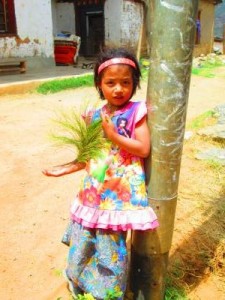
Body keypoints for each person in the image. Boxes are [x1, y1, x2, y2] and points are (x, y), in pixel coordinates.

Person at [42, 47, 159, 299]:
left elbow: (143, 148)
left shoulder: (135, 112)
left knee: (110, 245)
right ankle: (78, 280)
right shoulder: (95, 115)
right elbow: (89, 154)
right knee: (84, 237)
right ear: (99, 84)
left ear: (134, 83)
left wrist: (114, 135)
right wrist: (66, 168)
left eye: (126, 82)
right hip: (92, 191)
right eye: (111, 83)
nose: (118, 89)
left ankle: (106, 293)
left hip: (118, 195)